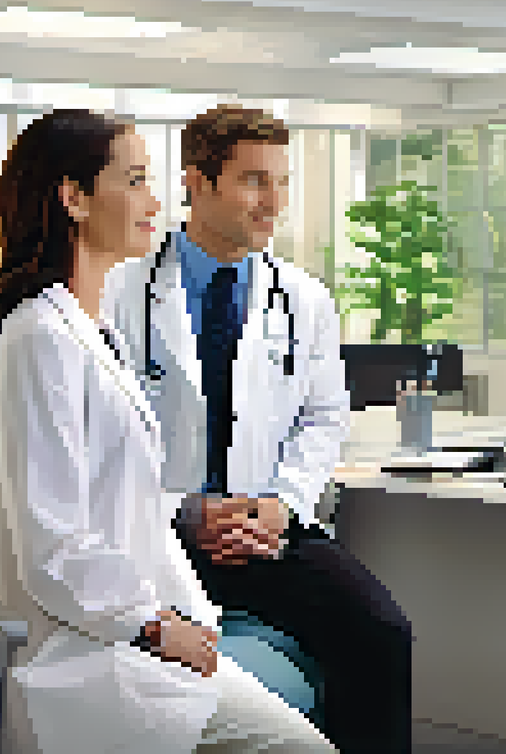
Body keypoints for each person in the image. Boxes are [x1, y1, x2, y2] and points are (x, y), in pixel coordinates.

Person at [0, 108, 337, 754]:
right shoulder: (41, 339)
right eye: (135, 180)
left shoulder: (87, 329)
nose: (156, 200)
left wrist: (193, 558)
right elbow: (53, 544)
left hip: (133, 622)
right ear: (74, 198)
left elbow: (123, 494)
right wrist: (153, 626)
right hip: (89, 653)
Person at [102, 104, 412, 754]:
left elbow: (324, 418)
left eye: (282, 182)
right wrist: (185, 511)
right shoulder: (118, 293)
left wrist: (280, 505)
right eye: (253, 181)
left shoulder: (303, 297)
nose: (274, 202)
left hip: (265, 530)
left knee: (382, 632)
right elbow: (103, 440)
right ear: (197, 181)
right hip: (157, 535)